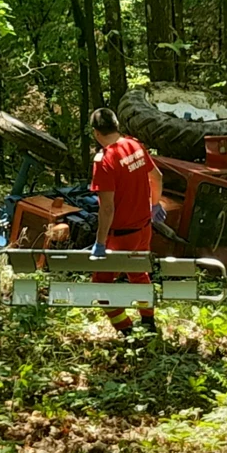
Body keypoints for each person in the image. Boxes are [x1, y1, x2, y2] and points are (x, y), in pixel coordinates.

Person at [89, 108, 166, 336]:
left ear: (96, 133)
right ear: (117, 125)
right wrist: (155, 204)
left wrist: (100, 242)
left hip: (120, 235)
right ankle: (149, 322)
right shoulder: (134, 145)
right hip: (144, 228)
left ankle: (126, 330)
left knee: (101, 284)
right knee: (138, 272)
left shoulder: (104, 161)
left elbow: (107, 208)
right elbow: (157, 177)